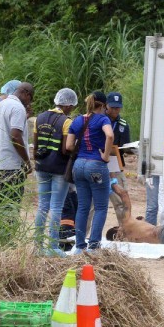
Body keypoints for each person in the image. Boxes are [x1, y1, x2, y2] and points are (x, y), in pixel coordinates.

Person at [33, 88, 78, 257]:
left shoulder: (40, 117)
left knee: (42, 206)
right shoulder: (66, 121)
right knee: (56, 207)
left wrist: (36, 161)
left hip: (42, 167)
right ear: (67, 105)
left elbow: (36, 145)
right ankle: (53, 246)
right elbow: (66, 149)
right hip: (59, 168)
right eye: (72, 107)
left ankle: (37, 245)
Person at [67, 91, 114, 253]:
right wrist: (105, 156)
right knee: (100, 207)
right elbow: (109, 135)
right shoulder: (102, 119)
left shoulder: (78, 120)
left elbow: (69, 146)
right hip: (96, 166)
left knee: (83, 207)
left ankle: (79, 245)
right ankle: (94, 245)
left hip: (79, 166)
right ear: (103, 105)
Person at [0, 82, 35, 204]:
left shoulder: (1, 105)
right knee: (11, 207)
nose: (29, 103)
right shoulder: (17, 107)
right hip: (12, 167)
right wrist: (27, 162)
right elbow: (15, 136)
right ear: (26, 93)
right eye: (30, 98)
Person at [105, 91, 130, 188]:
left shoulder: (123, 125)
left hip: (115, 162)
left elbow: (125, 145)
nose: (115, 110)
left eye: (118, 107)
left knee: (121, 193)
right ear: (106, 105)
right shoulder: (99, 120)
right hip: (99, 160)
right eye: (112, 107)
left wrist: (129, 149)